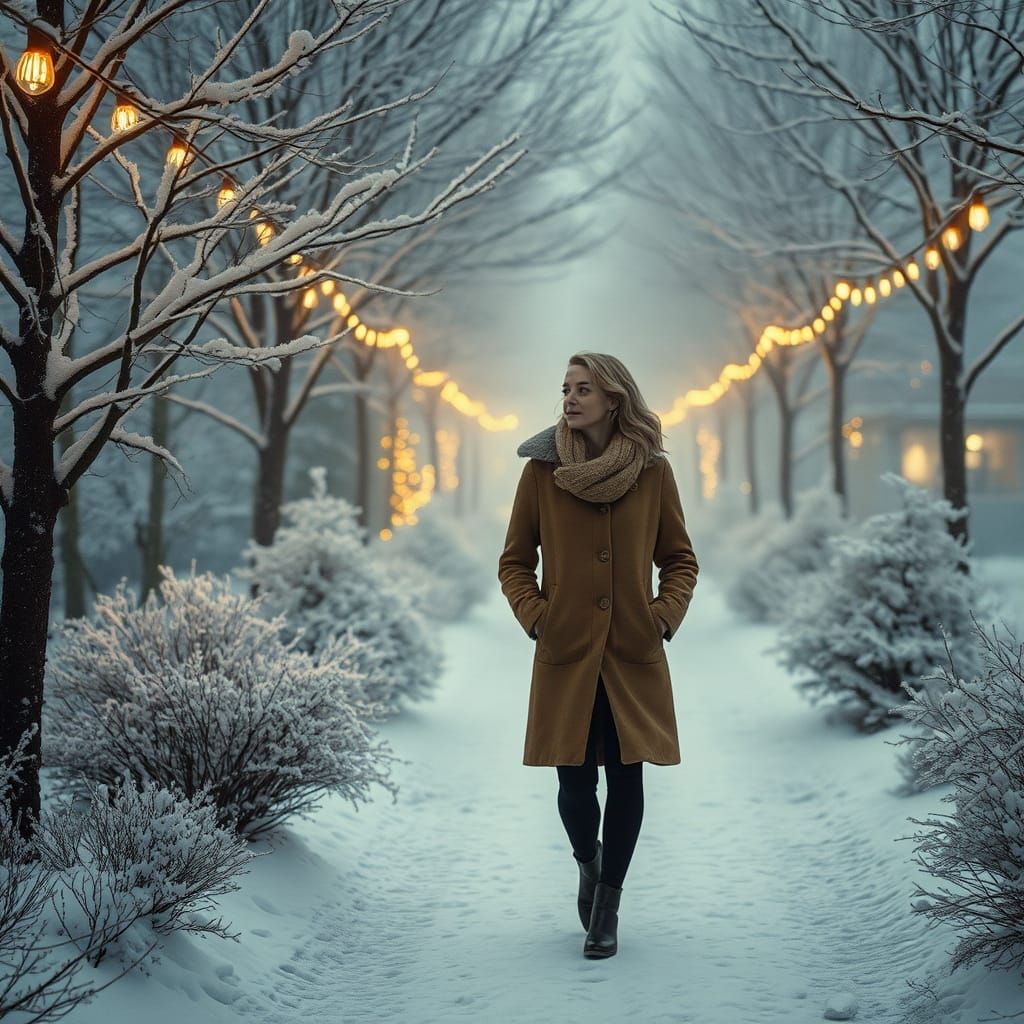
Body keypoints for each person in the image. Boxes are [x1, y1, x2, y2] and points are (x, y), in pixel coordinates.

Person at [497, 351, 699, 960]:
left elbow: (680, 561)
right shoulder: (540, 472)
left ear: (614, 399)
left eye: (584, 388)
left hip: (632, 654)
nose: (570, 398)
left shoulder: (653, 473)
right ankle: (589, 863)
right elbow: (513, 563)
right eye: (565, 388)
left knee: (627, 776)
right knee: (575, 783)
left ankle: (608, 903)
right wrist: (539, 619)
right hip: (567, 652)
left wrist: (660, 619)